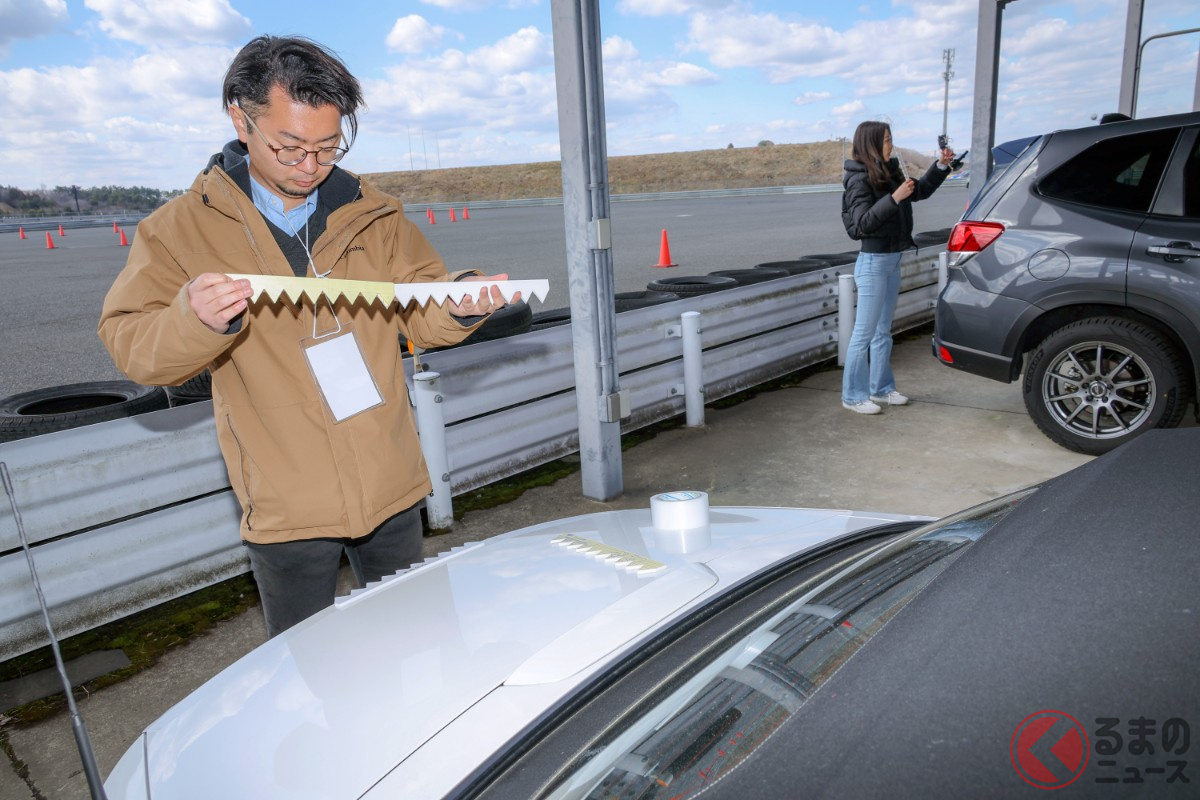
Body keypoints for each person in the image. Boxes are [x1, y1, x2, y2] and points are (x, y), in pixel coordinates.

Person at [99, 36, 517, 637]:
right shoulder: (177, 229)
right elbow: (131, 345)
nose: (311, 166)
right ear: (240, 120)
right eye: (289, 147)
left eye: (328, 146)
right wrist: (193, 319)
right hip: (284, 502)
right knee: (307, 670)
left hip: (389, 479)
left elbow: (418, 310)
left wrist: (460, 302)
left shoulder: (373, 212)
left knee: (418, 646)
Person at [840, 120, 955, 415]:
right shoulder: (858, 178)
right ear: (872, 143)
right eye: (887, 139)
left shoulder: (888, 171)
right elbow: (861, 225)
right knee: (864, 333)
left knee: (883, 331)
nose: (891, 144)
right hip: (873, 263)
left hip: (892, 259)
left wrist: (940, 167)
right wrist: (894, 198)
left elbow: (918, 191)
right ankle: (853, 396)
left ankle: (881, 389)